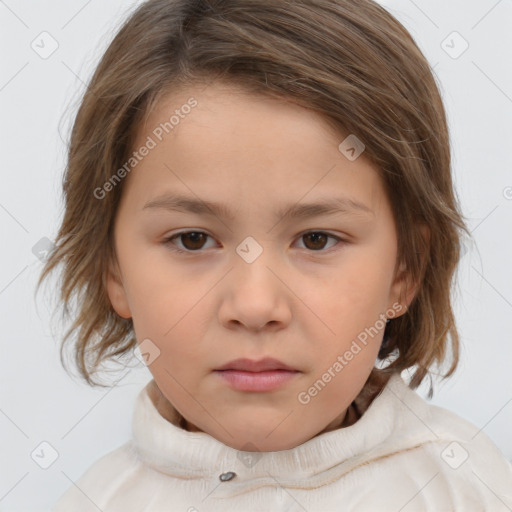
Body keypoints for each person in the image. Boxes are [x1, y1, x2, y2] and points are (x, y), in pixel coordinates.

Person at [38, 0, 512, 510]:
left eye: (316, 240)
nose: (255, 306)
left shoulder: (470, 490)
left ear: (405, 269)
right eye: (193, 239)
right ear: (114, 269)